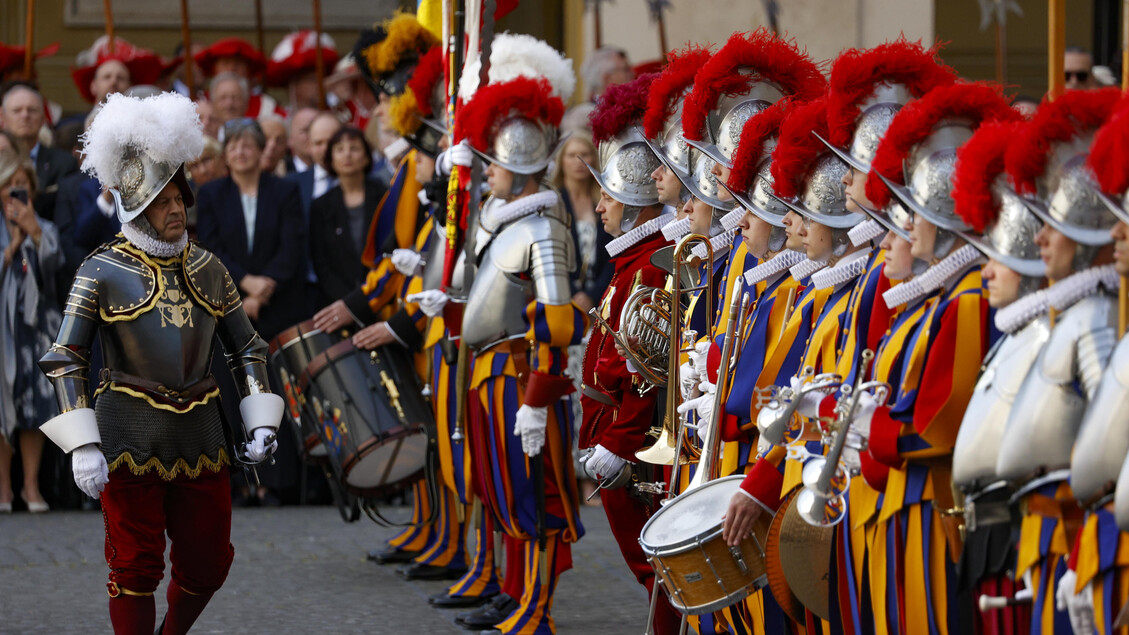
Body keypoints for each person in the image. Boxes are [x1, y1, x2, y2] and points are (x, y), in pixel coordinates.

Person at [36, 91, 283, 635]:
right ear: (133, 208)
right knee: (134, 566)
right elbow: (66, 357)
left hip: (201, 431)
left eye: (179, 198)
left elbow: (247, 347)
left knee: (210, 562)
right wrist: (82, 442)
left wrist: (260, 416)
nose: (176, 210)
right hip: (128, 433)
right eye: (161, 202)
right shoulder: (99, 269)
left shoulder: (211, 268)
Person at [452, 36, 585, 635]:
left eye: (495, 162)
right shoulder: (504, 221)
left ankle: (538, 608)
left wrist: (538, 397)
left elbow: (556, 323)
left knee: (535, 496)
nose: (488, 170)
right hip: (489, 370)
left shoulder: (544, 229)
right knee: (505, 492)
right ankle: (515, 593)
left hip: (519, 376)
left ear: (520, 160)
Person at [577, 71, 680, 633]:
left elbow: (645, 368)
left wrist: (617, 443)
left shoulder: (647, 266)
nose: (598, 207)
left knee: (659, 569)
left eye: (608, 195)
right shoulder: (633, 260)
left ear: (633, 202)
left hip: (632, 442)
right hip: (612, 430)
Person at [196, 118, 306, 342]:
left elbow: (290, 247)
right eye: (233, 147)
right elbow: (211, 247)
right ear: (225, 155)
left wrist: (260, 292)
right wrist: (245, 281)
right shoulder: (211, 194)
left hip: (279, 303)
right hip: (228, 304)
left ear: (260, 149)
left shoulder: (285, 191)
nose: (240, 152)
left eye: (247, 146)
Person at [0, 149, 62, 513]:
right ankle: (4, 487)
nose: (15, 191)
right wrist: (11, 246)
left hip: (38, 329)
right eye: (9, 184)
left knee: (37, 405)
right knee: (4, 400)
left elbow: (54, 268)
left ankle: (31, 485)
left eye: (21, 184)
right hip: (5, 330)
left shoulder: (46, 227)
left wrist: (34, 232)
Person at [309, 126, 385, 306]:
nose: (347, 155)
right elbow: (321, 264)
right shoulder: (321, 206)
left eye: (354, 148)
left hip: (382, 296)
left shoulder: (384, 196)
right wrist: (350, 302)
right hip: (338, 303)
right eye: (339, 149)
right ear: (331, 160)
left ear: (367, 157)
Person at [0, 83, 78, 221]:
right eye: (17, 110)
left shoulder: (64, 164)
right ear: (2, 117)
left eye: (32, 110)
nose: (25, 115)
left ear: (43, 118)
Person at [561, 46, 634, 135]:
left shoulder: (630, 111)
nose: (632, 74)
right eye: (626, 69)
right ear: (607, 78)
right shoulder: (582, 117)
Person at [265, 31, 339, 112]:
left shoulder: (337, 115)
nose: (321, 83)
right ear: (292, 85)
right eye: (312, 79)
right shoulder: (279, 119)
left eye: (323, 78)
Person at [285, 107, 318, 174]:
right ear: (290, 138)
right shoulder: (281, 172)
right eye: (305, 130)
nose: (312, 136)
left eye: (317, 130)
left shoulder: (335, 170)